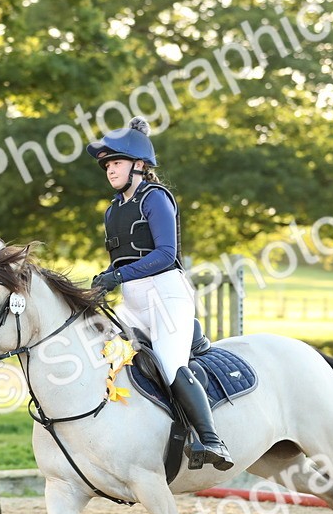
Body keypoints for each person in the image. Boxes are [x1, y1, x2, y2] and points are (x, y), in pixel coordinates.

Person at [86, 117, 233, 471]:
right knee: (99, 352)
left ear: (138, 165)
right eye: (107, 164)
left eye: (116, 162)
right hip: (134, 299)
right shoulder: (113, 209)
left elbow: (166, 254)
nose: (110, 169)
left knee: (169, 364)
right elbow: (122, 261)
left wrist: (117, 275)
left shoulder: (156, 199)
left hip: (166, 294)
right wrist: (103, 279)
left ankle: (211, 440)